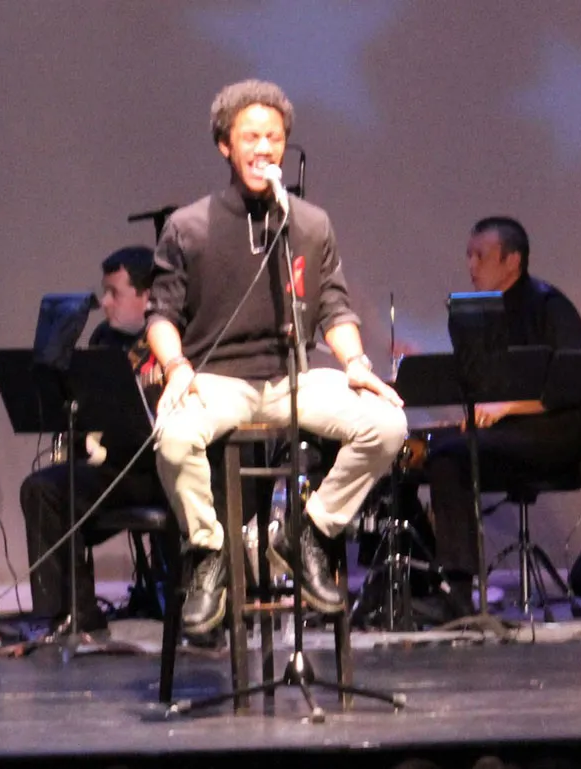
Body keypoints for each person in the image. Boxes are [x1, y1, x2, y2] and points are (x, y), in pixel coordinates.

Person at [146, 79, 407, 638]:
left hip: (294, 377)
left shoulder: (308, 223)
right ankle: (210, 553)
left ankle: (309, 532)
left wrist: (355, 363)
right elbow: (161, 315)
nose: (264, 148)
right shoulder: (188, 226)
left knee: (387, 425)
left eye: (274, 138)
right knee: (173, 437)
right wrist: (176, 367)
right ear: (226, 145)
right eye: (251, 137)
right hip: (217, 381)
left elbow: (334, 307)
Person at [424, 217, 581, 619]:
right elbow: (482, 387)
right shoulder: (475, 315)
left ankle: (457, 592)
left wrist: (508, 408)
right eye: (468, 255)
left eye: (481, 256)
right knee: (424, 452)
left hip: (555, 433)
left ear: (512, 261)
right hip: (508, 434)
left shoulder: (550, 307)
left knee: (450, 457)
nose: (471, 265)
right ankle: (419, 582)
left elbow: (572, 384)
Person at [20, 245, 165, 636]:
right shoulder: (104, 339)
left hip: (157, 470)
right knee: (42, 489)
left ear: (146, 296)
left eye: (115, 293)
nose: (105, 302)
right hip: (114, 466)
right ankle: (71, 616)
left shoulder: (172, 339)